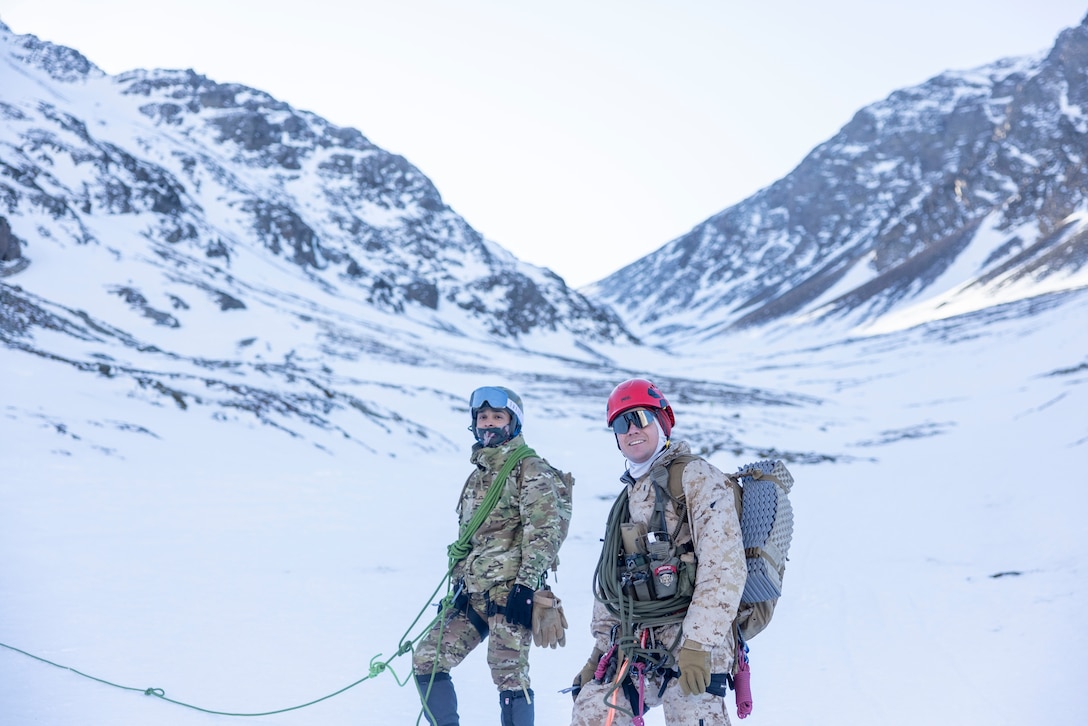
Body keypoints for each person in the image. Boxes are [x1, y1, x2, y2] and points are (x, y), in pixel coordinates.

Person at [569, 378, 746, 726]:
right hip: (639, 642)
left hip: (695, 638)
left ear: (663, 421)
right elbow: (613, 580)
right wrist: (598, 653)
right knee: (594, 710)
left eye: (641, 418)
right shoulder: (628, 497)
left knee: (691, 711)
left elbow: (725, 568)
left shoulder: (696, 477)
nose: (632, 429)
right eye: (622, 423)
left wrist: (698, 643)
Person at [414, 385, 570, 726]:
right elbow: (468, 539)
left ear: (513, 423)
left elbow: (544, 534)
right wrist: (457, 586)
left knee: (509, 674)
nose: (488, 424)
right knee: (427, 657)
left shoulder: (529, 468)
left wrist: (525, 588)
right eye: (482, 417)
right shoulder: (477, 477)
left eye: (497, 416)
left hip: (510, 593)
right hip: (472, 593)